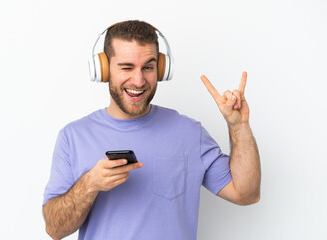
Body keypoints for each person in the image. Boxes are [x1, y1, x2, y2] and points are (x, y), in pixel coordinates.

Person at [42, 20, 261, 240]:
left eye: (147, 67)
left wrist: (238, 125)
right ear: (104, 69)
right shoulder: (74, 136)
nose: (138, 81)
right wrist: (89, 184)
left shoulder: (190, 133)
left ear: (162, 69)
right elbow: (54, 229)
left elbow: (246, 193)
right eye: (127, 67)